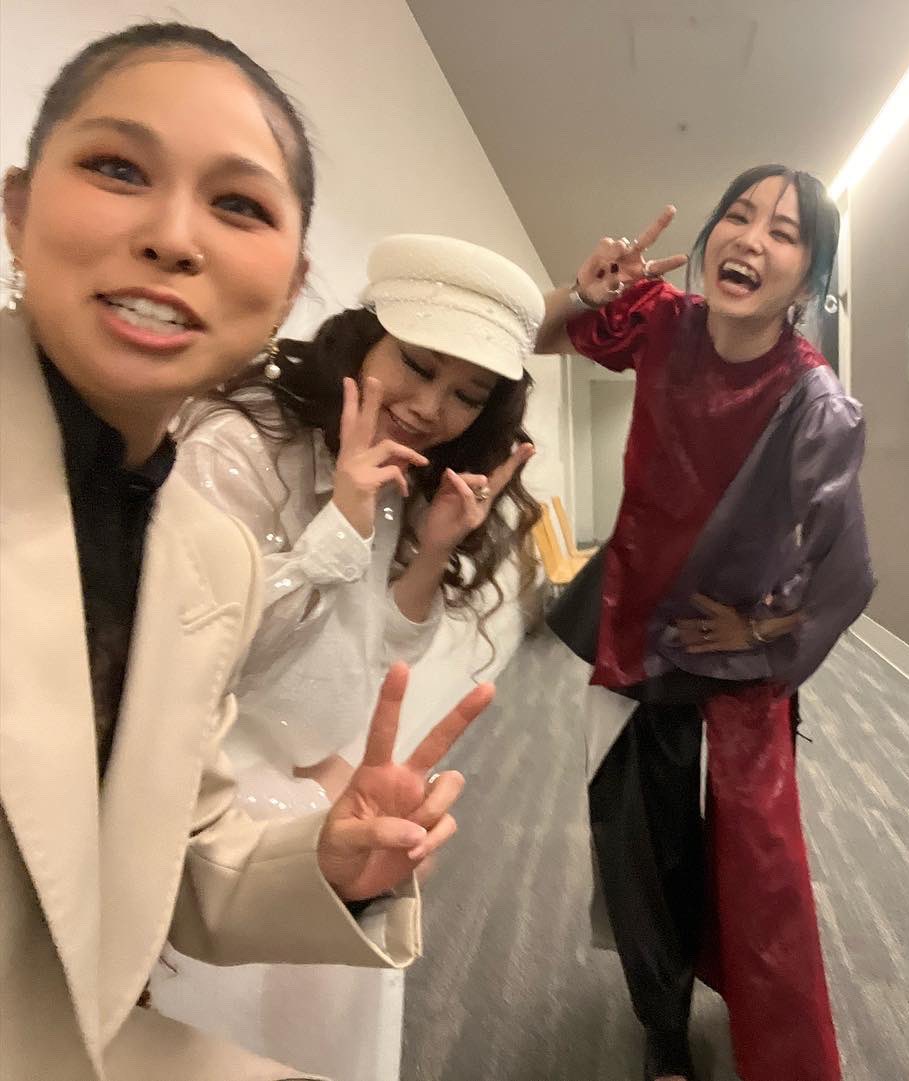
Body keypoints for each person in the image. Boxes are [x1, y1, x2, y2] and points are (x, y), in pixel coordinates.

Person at [0, 23, 488, 1081]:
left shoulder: (191, 532)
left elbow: (158, 834)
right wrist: (339, 526)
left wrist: (330, 860)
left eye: (238, 205)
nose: (175, 237)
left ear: (290, 279)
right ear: (18, 208)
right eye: (117, 168)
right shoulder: (240, 444)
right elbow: (258, 667)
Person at [146, 236, 543, 1080]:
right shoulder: (241, 441)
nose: (430, 407)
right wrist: (343, 524)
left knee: (329, 1017)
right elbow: (197, 652)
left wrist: (434, 548)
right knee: (225, 1036)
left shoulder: (394, 463)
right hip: (207, 790)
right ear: (365, 336)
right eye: (418, 364)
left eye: (467, 395)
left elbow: (377, 645)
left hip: (310, 775)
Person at [533, 165, 875, 1081]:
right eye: (740, 215)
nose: (752, 239)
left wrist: (766, 634)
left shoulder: (813, 399)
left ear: (807, 278)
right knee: (640, 851)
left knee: (754, 865)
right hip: (632, 633)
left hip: (736, 662)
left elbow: (845, 567)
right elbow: (534, 335)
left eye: (785, 232)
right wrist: (582, 292)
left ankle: (753, 1017)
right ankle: (663, 1029)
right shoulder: (663, 322)